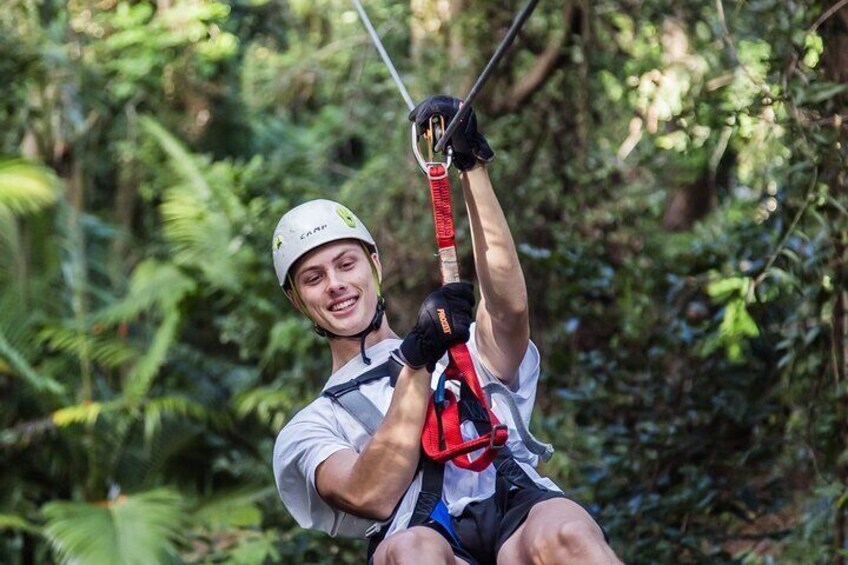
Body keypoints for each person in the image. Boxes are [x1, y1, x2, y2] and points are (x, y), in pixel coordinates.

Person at [272, 96, 621, 564]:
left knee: (567, 534)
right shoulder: (311, 428)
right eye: (314, 278)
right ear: (298, 300)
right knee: (414, 553)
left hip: (512, 505)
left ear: (374, 265)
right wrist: (416, 360)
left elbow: (508, 311)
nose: (335, 285)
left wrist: (470, 165)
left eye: (345, 263)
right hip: (420, 534)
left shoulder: (460, 348)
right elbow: (369, 494)